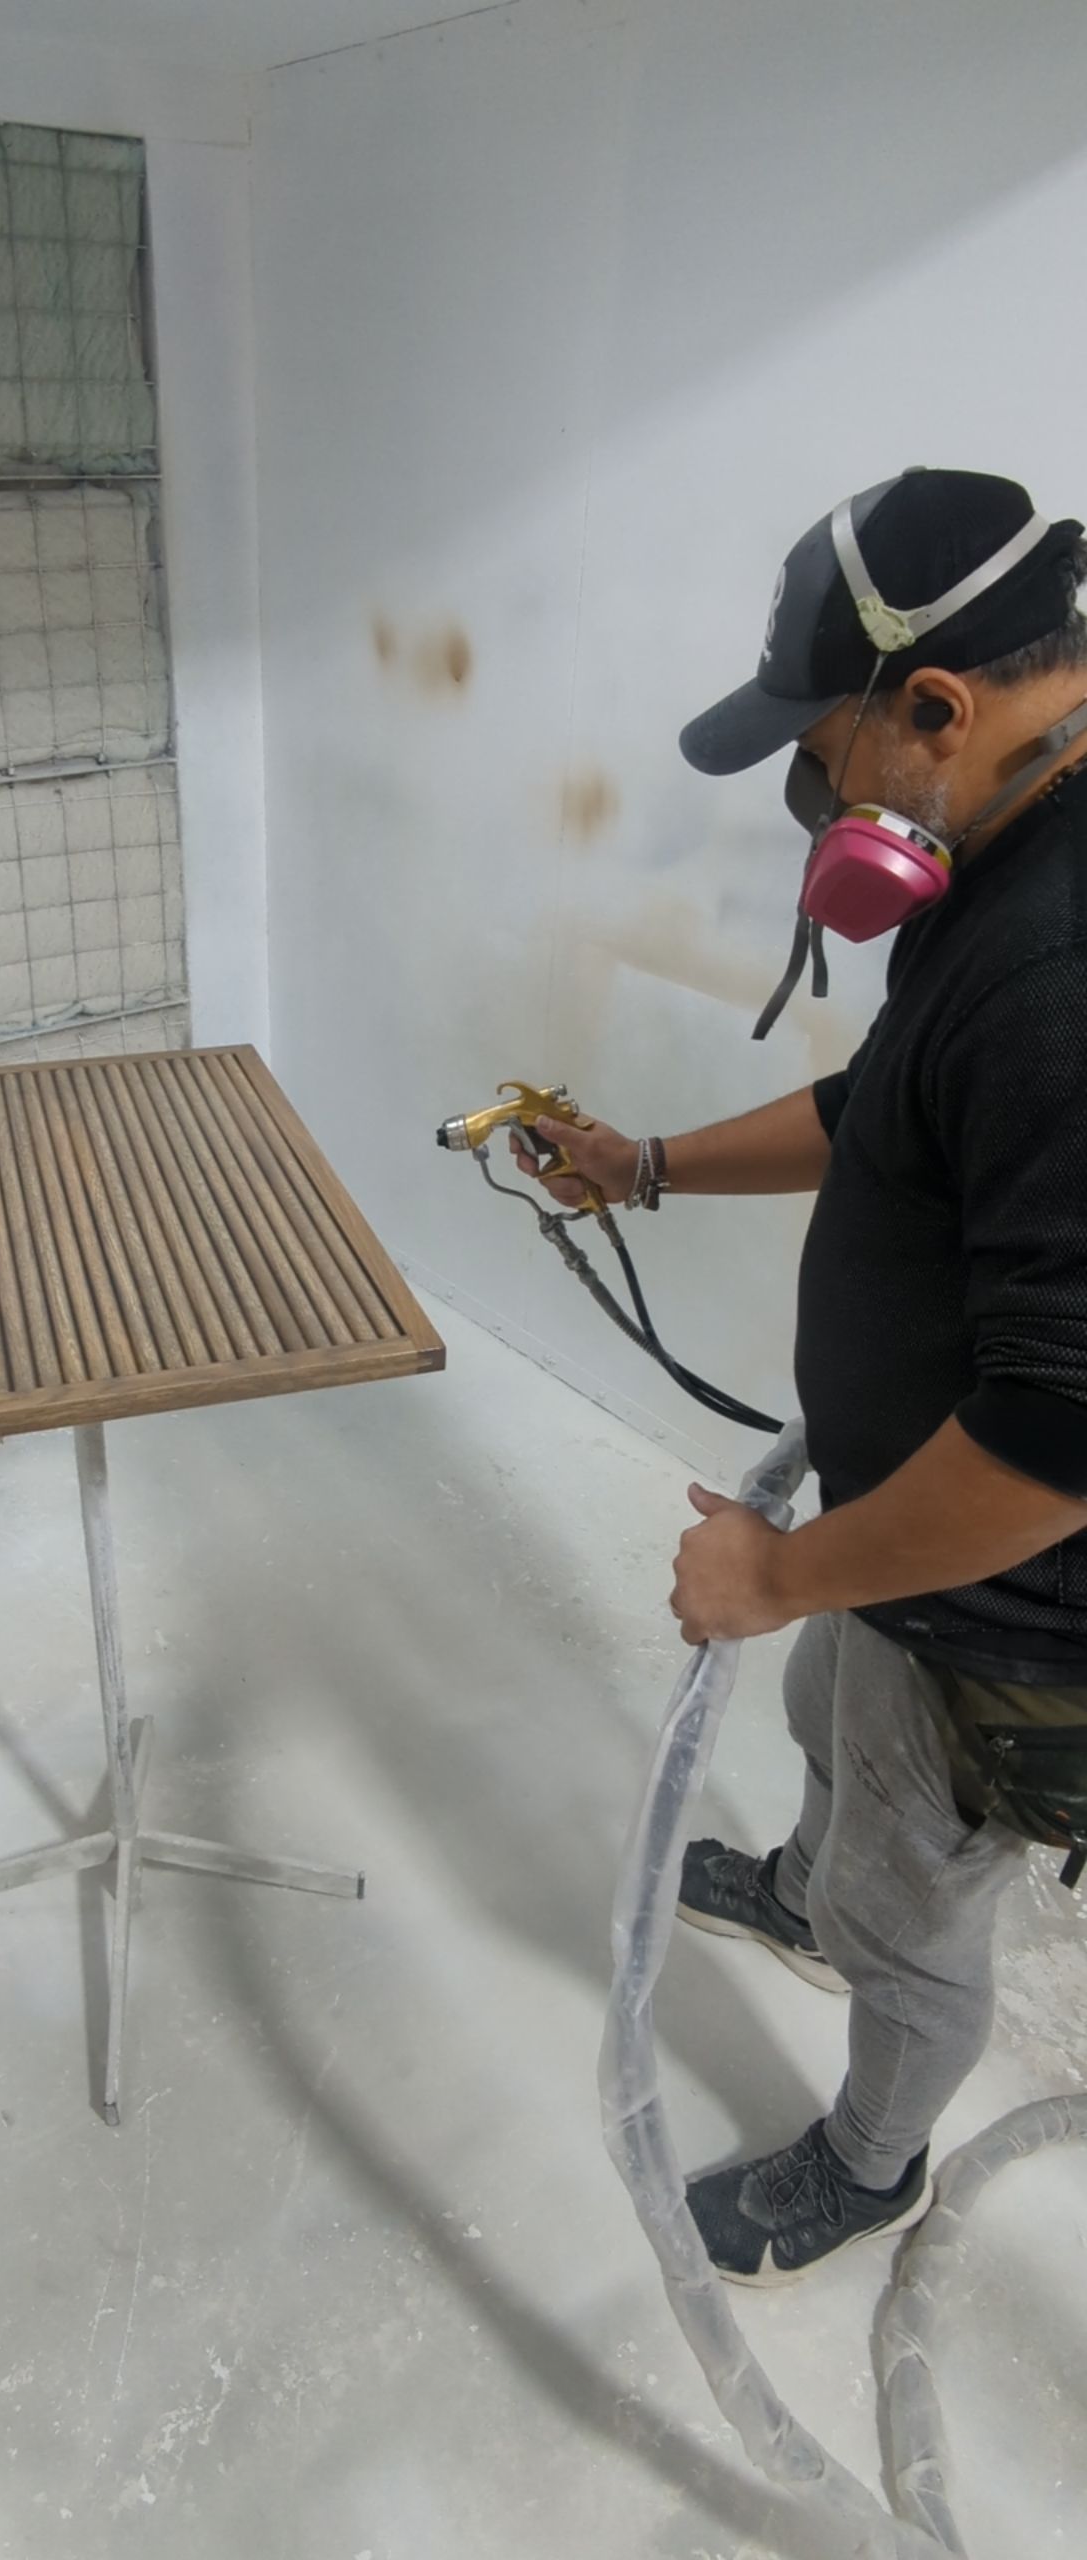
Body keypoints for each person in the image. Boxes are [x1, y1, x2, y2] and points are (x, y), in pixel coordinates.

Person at [517, 468, 1087, 2285]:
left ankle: (870, 2160)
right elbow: (884, 1110)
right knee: (831, 1735)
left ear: (938, 704)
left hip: (1005, 1597)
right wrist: (649, 1164)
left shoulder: (1065, 968)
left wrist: (772, 1575)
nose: (818, 810)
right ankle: (800, 1896)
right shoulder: (1009, 850)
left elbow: (1058, 1440)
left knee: (911, 1919)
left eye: (820, 761)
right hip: (898, 1525)